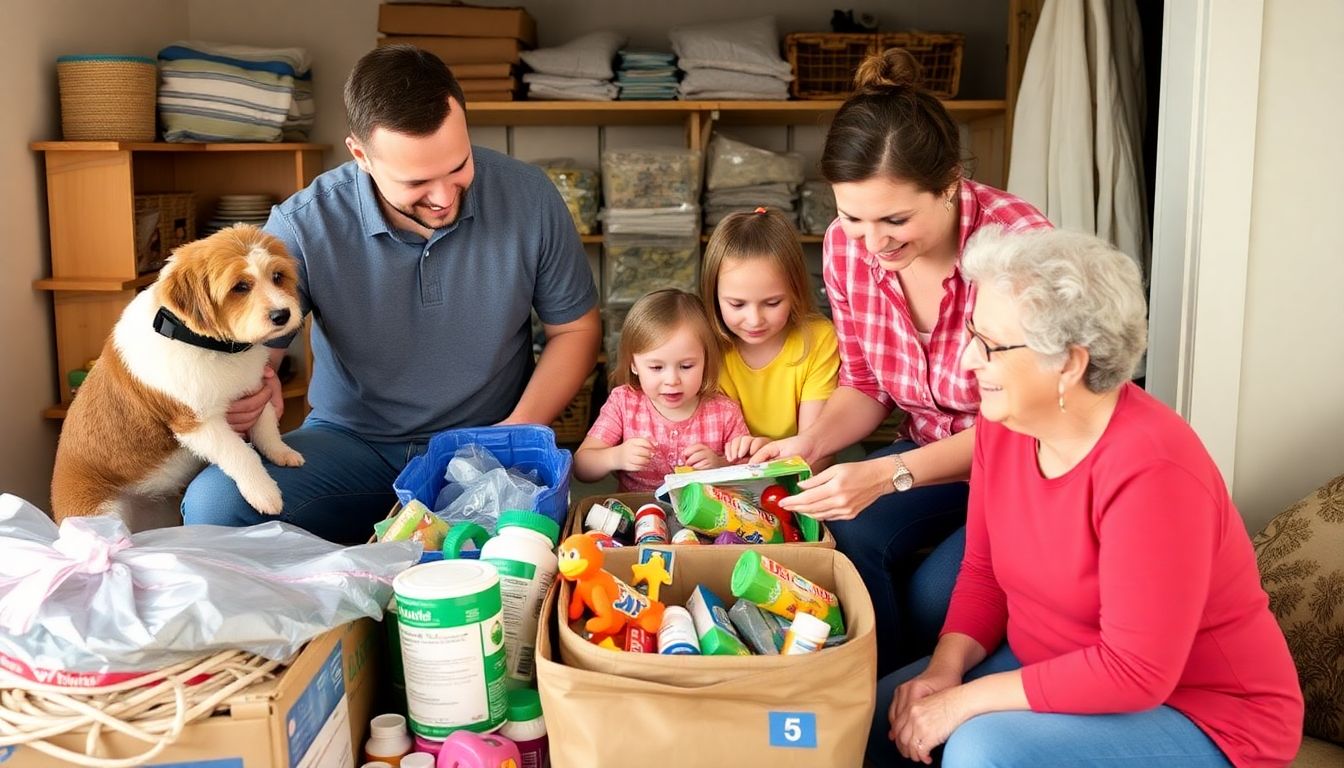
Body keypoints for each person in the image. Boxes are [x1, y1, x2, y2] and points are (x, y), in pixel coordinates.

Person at [872, 227, 1303, 767]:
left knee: (984, 751)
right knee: (878, 715)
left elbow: (1135, 671)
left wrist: (964, 703)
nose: (966, 360)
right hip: (1052, 665)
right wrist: (943, 672)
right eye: (971, 333)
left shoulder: (1153, 471)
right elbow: (983, 573)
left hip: (1205, 715)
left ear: (1068, 363)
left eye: (990, 345)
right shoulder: (1006, 423)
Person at [180, 45, 600, 543]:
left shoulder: (530, 197)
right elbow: (252, 352)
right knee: (214, 504)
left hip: (489, 445)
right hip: (353, 449)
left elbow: (575, 329)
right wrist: (257, 384)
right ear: (361, 155)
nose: (444, 197)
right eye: (417, 181)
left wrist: (510, 435)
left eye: (459, 166)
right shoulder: (302, 225)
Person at [751, 49, 1051, 674]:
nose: (874, 241)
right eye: (852, 216)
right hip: (927, 460)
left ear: (950, 185)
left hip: (1022, 468)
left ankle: (922, 709)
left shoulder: (1017, 246)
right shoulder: (847, 247)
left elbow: (1030, 417)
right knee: (845, 541)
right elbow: (865, 384)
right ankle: (873, 707)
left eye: (896, 218)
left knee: (935, 600)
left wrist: (891, 475)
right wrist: (804, 446)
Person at [699, 206, 839, 462]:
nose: (754, 320)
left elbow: (815, 453)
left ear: (795, 291)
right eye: (737, 304)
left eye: (773, 303)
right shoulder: (704, 343)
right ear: (713, 296)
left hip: (796, 479)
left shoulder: (819, 339)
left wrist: (764, 456)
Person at [574, 289, 750, 492]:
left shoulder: (725, 412)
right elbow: (581, 465)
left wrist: (719, 465)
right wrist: (615, 457)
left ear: (705, 360)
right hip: (637, 515)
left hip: (705, 519)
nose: (672, 380)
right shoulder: (624, 403)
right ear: (633, 364)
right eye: (656, 367)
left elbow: (750, 474)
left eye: (686, 366)